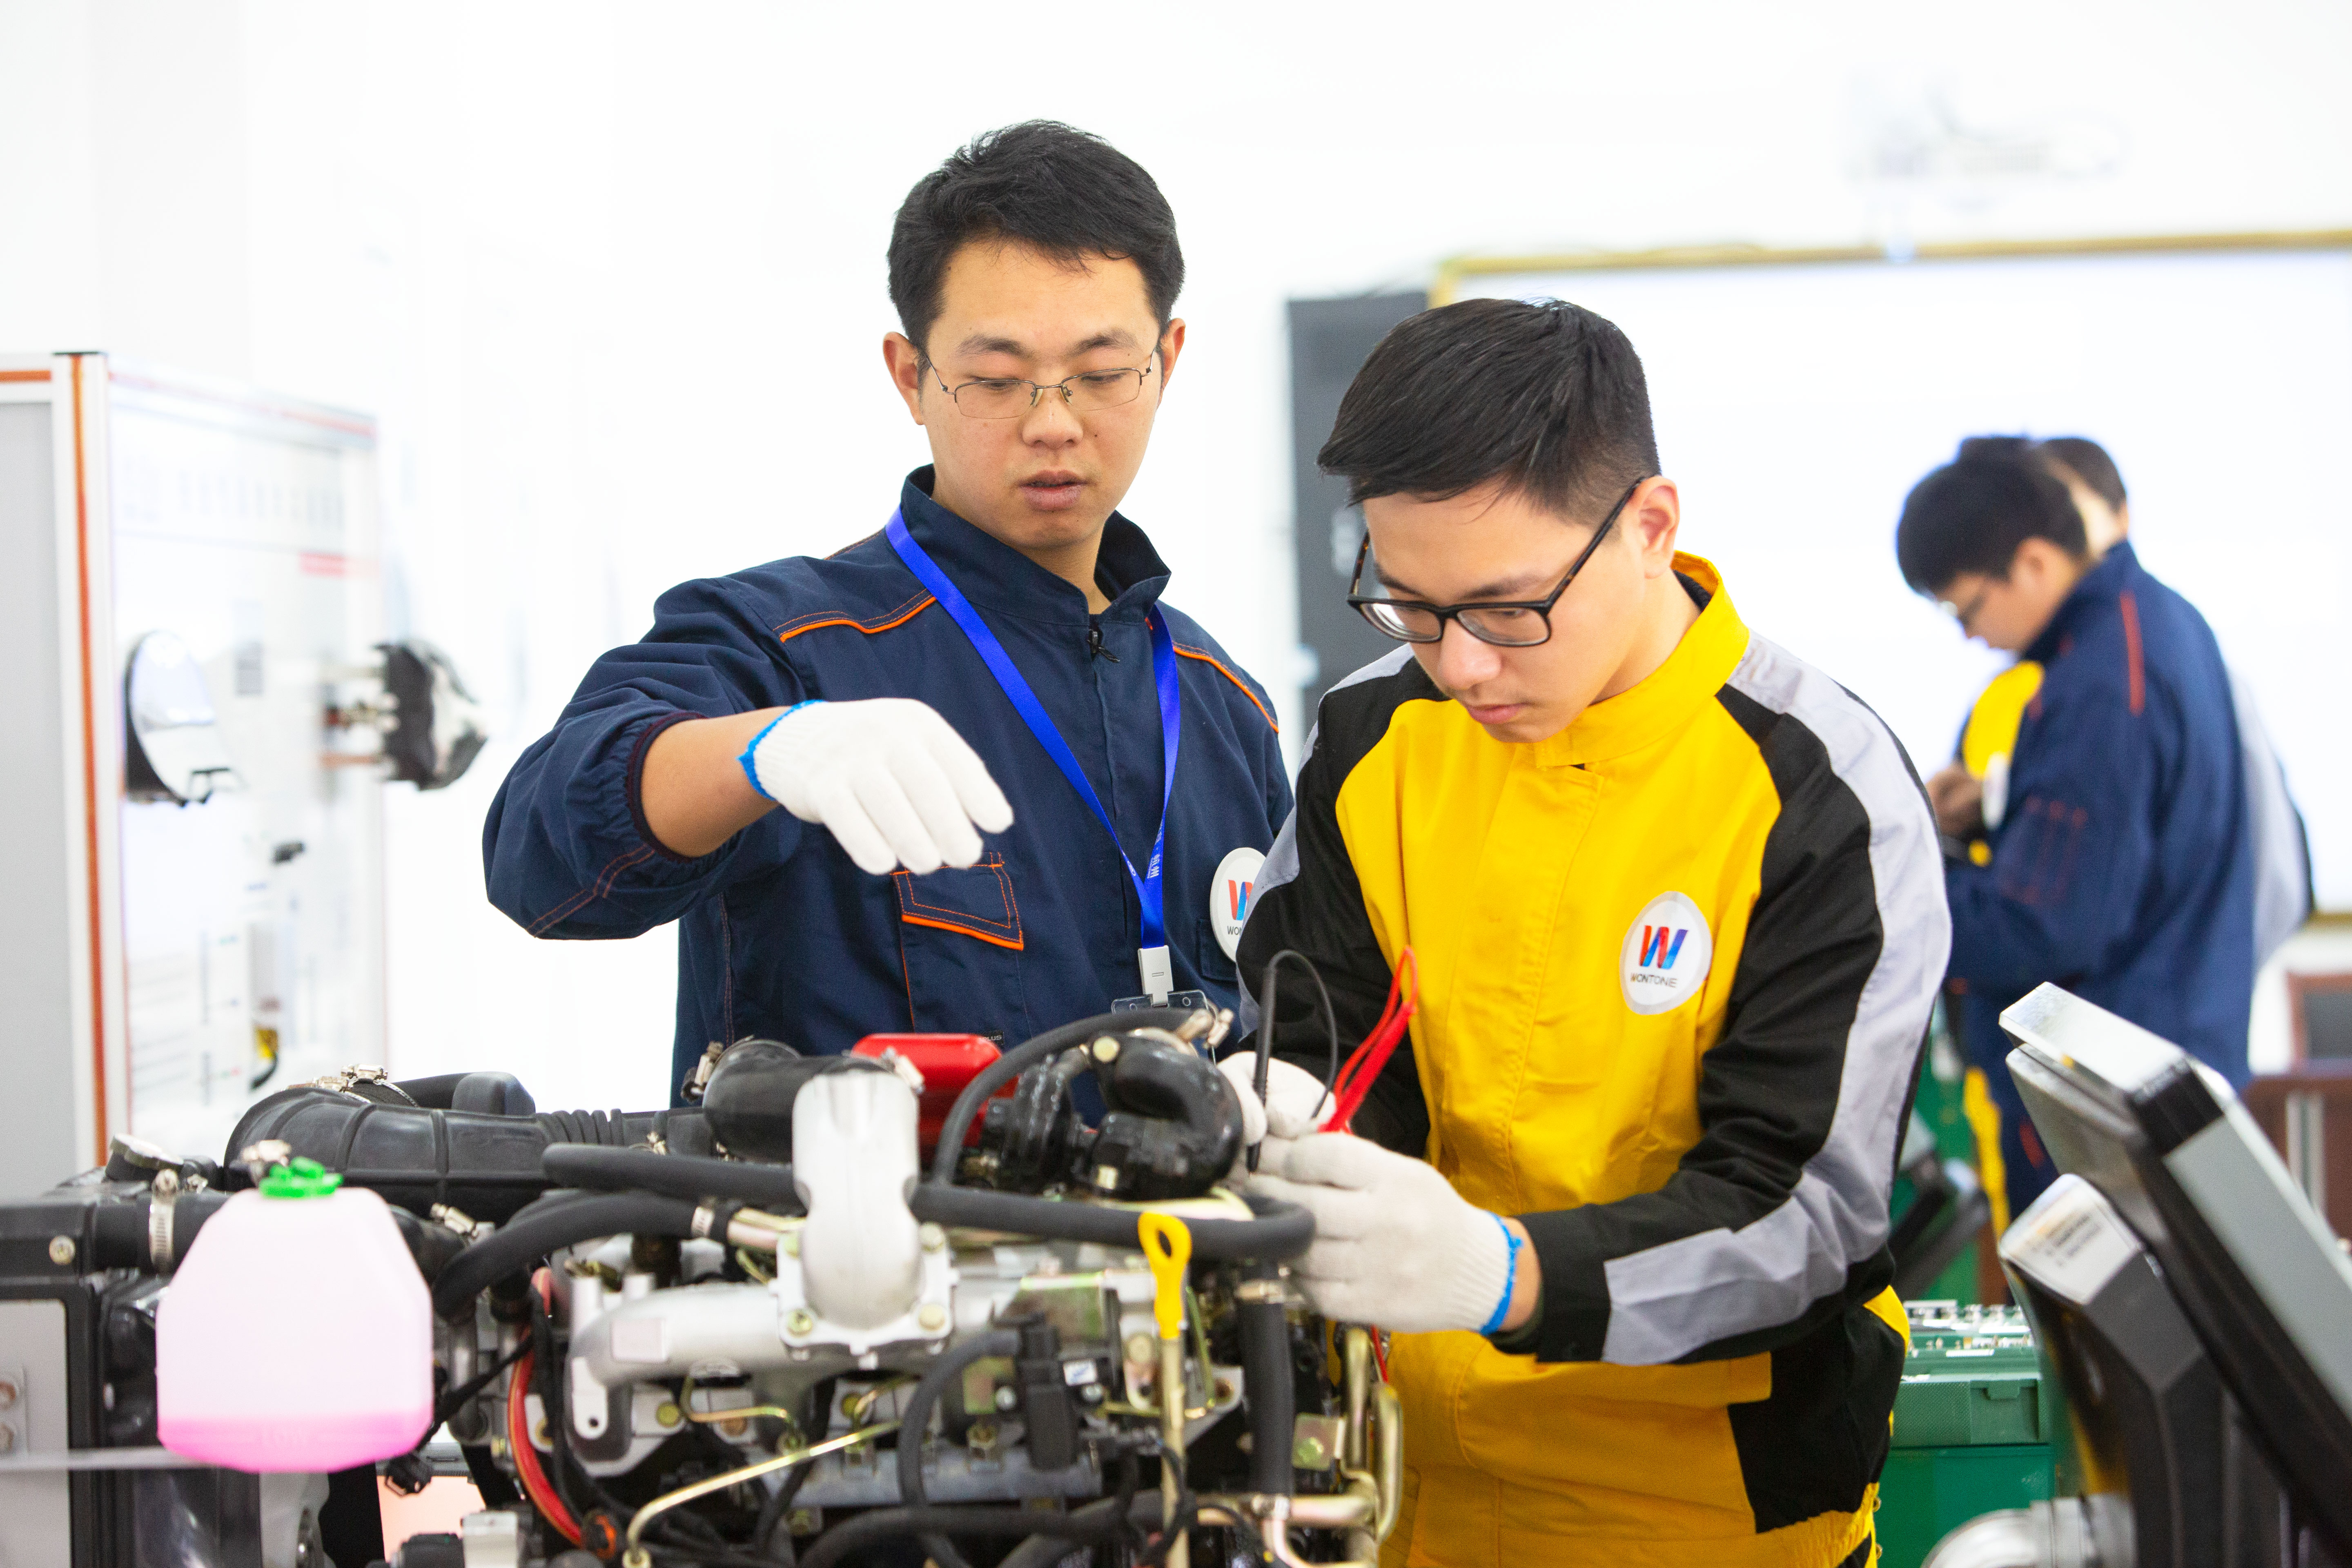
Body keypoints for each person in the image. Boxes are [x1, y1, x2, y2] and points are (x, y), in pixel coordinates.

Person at [1225, 297, 1949, 1568]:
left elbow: (1805, 1219)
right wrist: (1280, 1095)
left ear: (1651, 526)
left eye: (1507, 608)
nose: (1459, 666)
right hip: (1398, 1487)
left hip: (1702, 1517)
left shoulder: (1818, 793)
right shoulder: (1374, 735)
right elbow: (1321, 1022)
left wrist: (1505, 1274)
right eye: (1408, 604)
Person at [484, 122, 1289, 1094]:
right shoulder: (788, 647)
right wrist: (764, 750)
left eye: (1104, 374)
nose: (1054, 423)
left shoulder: (1222, 705)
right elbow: (538, 859)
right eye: (996, 380)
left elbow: (1299, 1008)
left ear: (1168, 360)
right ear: (911, 377)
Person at [1916, 436, 2301, 1226]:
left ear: (2032, 563)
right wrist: (1996, 808)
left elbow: (2042, 927)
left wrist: (1900, 876)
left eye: (1966, 609)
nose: (1969, 636)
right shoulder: (2161, 622)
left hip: (2107, 1104)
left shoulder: (2098, 684)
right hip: (2167, 1067)